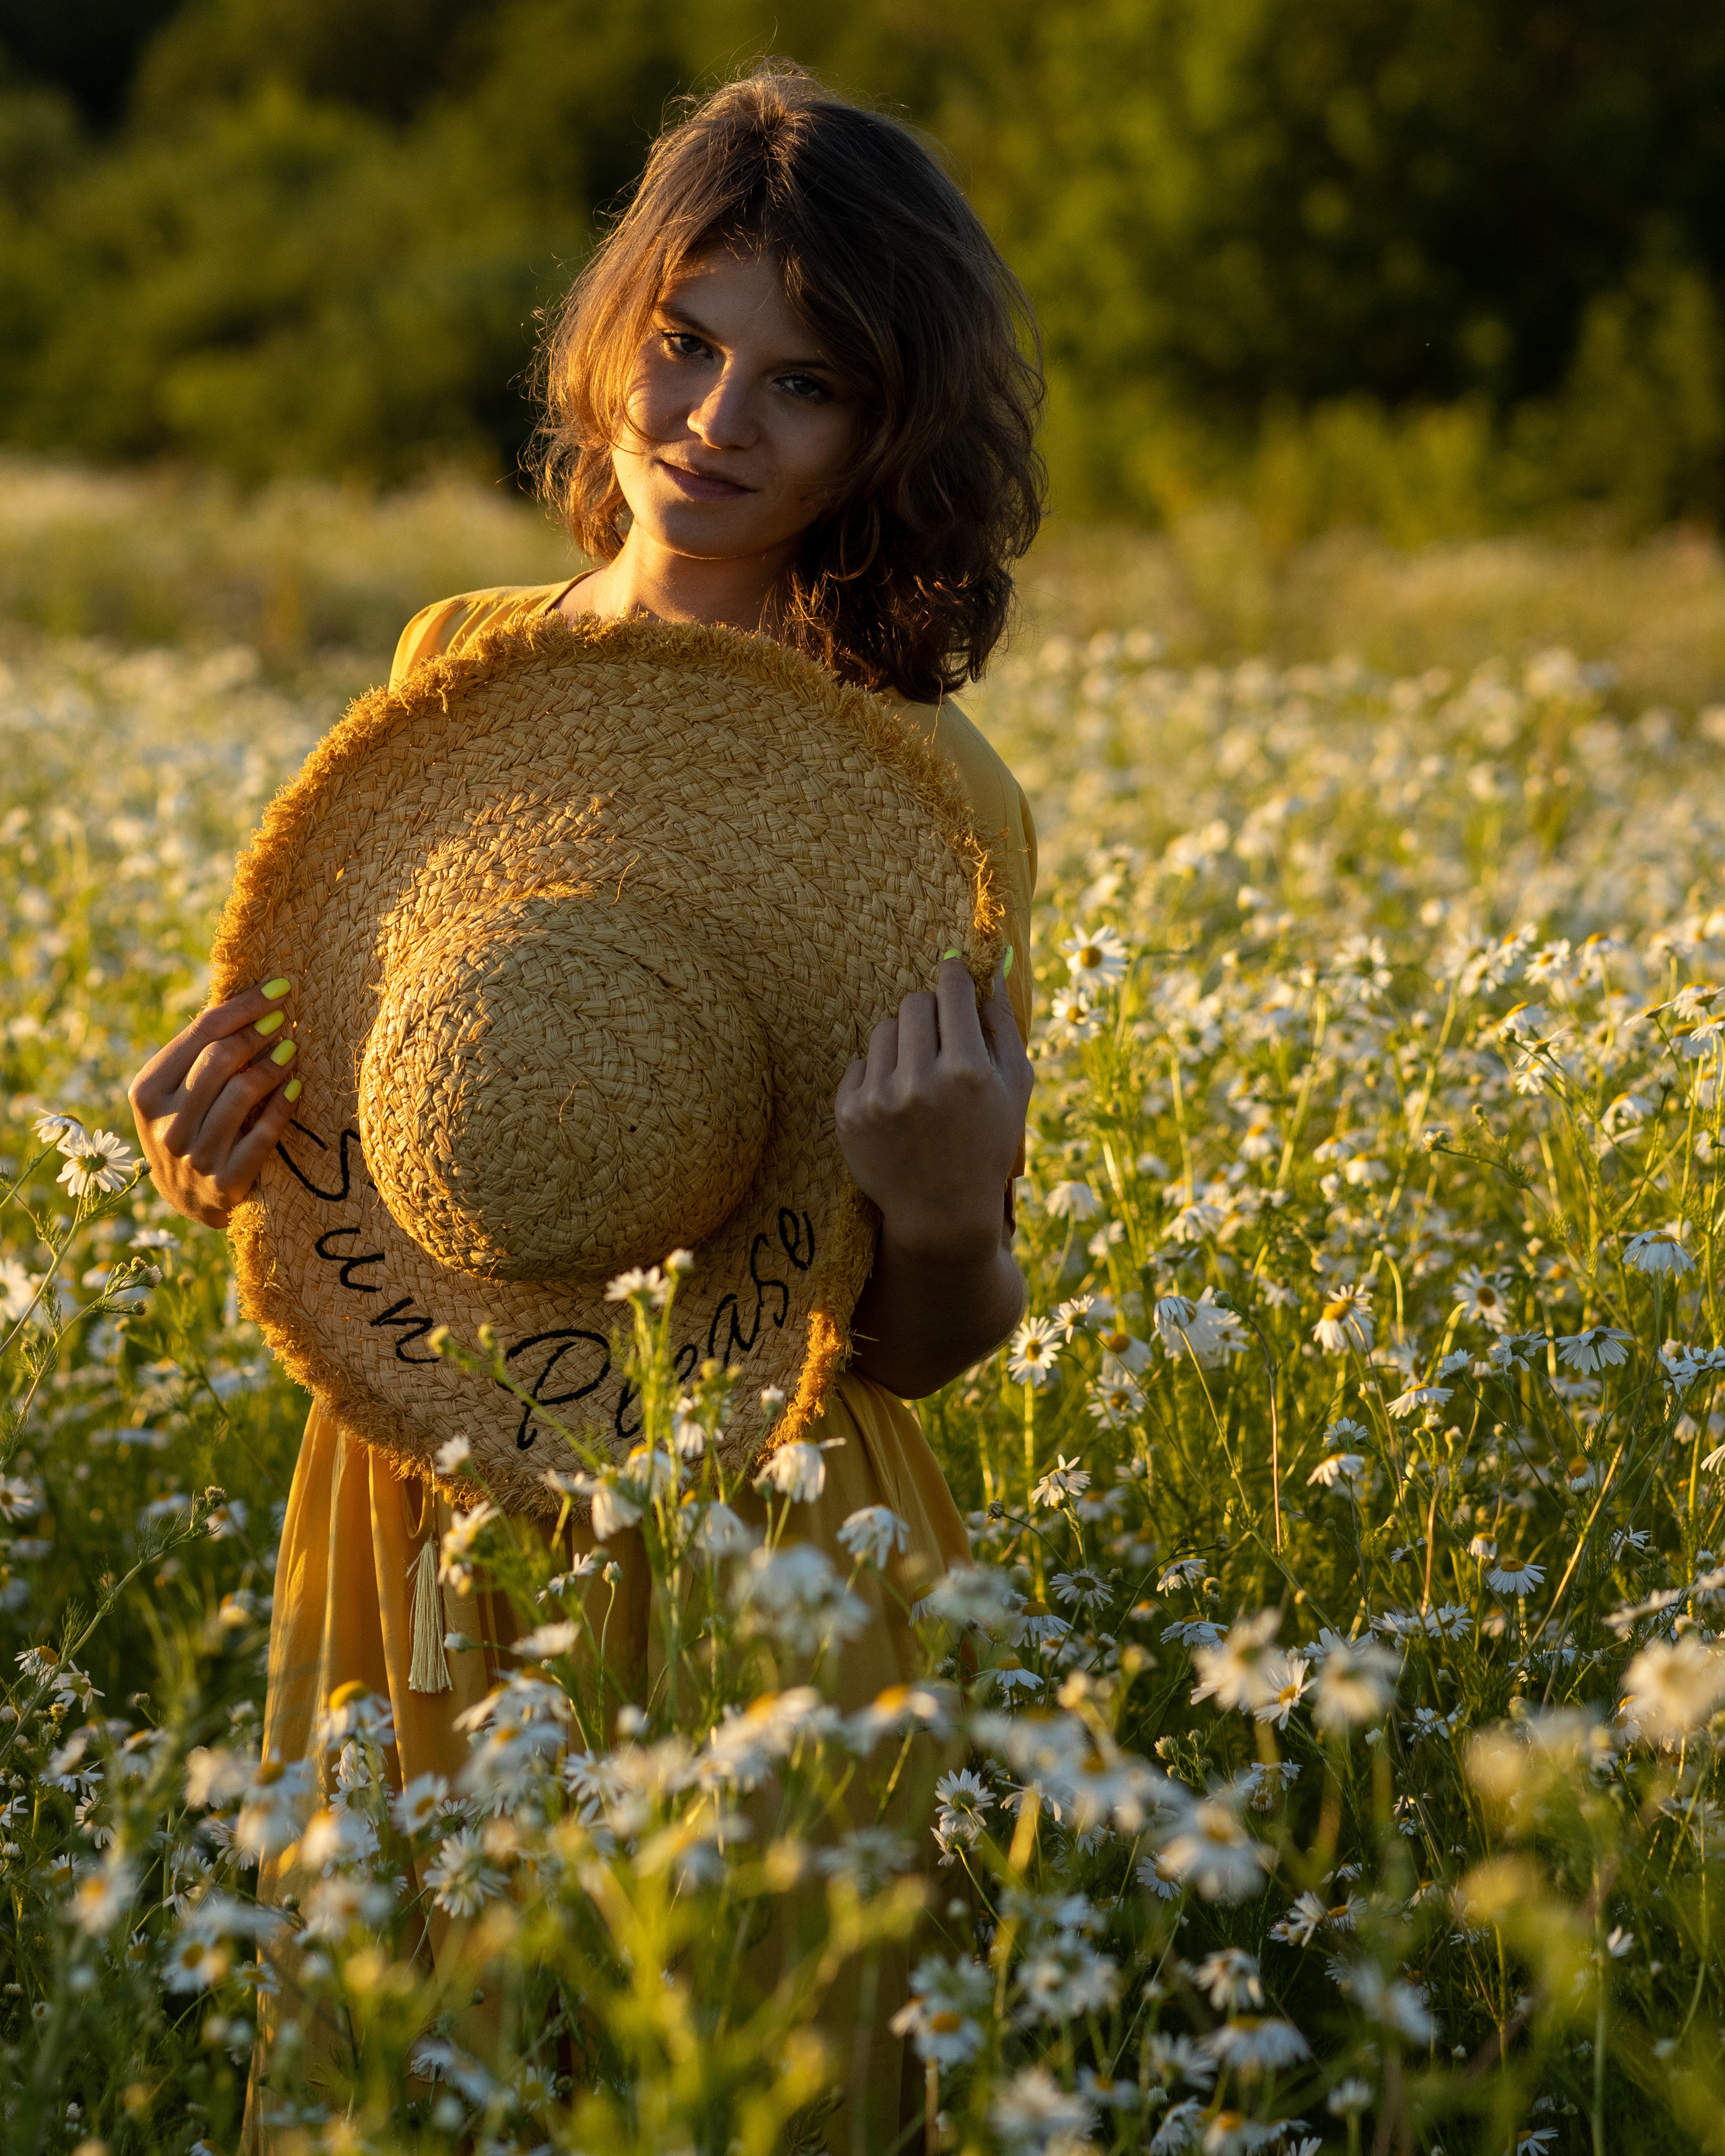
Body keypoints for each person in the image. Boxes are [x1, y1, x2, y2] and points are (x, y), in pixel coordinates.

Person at [127, 62, 1042, 2143]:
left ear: (887, 434)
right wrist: (219, 1143)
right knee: (405, 2076)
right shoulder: (452, 661)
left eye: (803, 386)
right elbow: (355, 1132)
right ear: (610, 324)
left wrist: (947, 1210)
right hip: (423, 1501)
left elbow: (927, 1343)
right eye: (687, 343)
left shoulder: (921, 793)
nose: (714, 423)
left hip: (766, 1537)